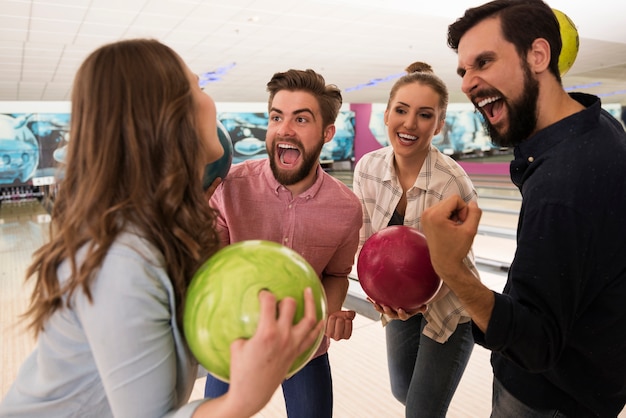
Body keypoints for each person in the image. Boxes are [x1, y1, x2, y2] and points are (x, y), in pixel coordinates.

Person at [0, 39, 324, 418]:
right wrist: (243, 398)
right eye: (198, 88)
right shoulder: (121, 259)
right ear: (167, 117)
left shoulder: (155, 232)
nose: (210, 102)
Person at [421, 1, 626, 417]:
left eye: (484, 61)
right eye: (463, 71)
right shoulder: (599, 124)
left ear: (538, 55)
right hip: (596, 379)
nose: (466, 83)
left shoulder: (562, 186)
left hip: (549, 399)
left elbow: (536, 346)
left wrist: (451, 269)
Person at [203, 69, 363, 418]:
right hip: (234, 342)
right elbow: (206, 267)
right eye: (277, 117)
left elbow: (336, 275)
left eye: (301, 119)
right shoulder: (229, 187)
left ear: (327, 133)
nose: (284, 129)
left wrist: (332, 311)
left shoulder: (347, 209)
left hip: (306, 347)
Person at [352, 62, 478, 418]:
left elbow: (455, 264)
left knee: (421, 411)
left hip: (451, 306)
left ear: (438, 125)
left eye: (424, 115)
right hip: (399, 302)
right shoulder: (367, 168)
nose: (409, 124)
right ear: (387, 113)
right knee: (402, 390)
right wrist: (381, 296)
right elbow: (366, 243)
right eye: (402, 111)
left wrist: (420, 299)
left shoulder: (453, 183)